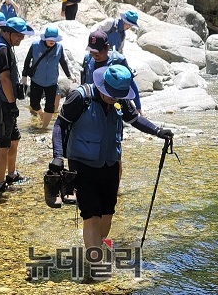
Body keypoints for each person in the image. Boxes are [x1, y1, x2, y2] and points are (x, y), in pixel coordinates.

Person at [49, 64, 173, 265]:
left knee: (108, 213)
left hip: (110, 164)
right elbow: (59, 125)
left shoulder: (121, 100)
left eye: (118, 95)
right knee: (92, 215)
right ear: (102, 85)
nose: (115, 98)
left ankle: (94, 246)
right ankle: (96, 263)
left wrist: (158, 131)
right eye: (112, 94)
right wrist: (57, 156)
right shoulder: (80, 97)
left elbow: (135, 119)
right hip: (82, 164)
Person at [0, 17, 34, 192]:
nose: (21, 38)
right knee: (3, 144)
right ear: (8, 33)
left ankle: (11, 174)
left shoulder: (0, 45)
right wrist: (12, 104)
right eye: (19, 35)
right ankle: (0, 184)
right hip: (0, 104)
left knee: (14, 139)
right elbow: (4, 79)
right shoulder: (2, 51)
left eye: (22, 35)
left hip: (2, 102)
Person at [21, 26, 76, 129]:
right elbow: (27, 60)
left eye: (54, 39)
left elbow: (63, 62)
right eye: (49, 39)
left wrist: (69, 75)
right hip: (36, 80)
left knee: (50, 106)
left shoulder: (59, 47)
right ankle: (41, 114)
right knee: (34, 103)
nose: (52, 41)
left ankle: (44, 128)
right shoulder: (35, 45)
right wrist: (24, 76)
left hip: (51, 82)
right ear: (44, 38)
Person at [82, 30, 142, 115]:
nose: (95, 56)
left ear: (107, 47)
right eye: (92, 52)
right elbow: (84, 81)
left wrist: (138, 107)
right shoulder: (88, 59)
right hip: (92, 106)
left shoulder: (118, 61)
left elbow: (130, 83)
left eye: (98, 53)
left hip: (112, 106)